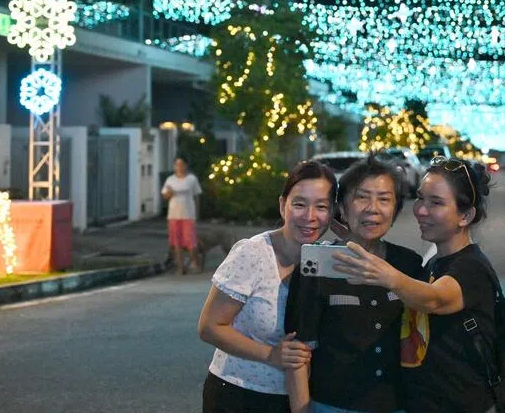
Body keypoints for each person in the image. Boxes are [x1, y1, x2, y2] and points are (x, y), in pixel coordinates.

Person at [332, 158, 498, 413]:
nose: (421, 210)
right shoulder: (434, 263)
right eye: (420, 198)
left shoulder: (471, 268)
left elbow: (434, 299)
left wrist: (383, 273)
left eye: (436, 203)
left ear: (465, 215)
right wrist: (354, 234)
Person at [284, 155, 426, 413]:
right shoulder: (316, 267)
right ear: (343, 207)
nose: (373, 208)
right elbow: (298, 353)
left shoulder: (408, 264)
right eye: (362, 197)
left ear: (395, 210)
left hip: (397, 404)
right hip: (332, 405)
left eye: (384, 199)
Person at [198, 160, 337, 413]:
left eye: (322, 207)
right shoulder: (253, 253)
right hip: (239, 395)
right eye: (299, 204)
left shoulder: (327, 259)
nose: (310, 217)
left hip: (299, 399)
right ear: (283, 204)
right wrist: (270, 354)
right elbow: (209, 327)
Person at [162, 157, 203, 274]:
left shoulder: (191, 179)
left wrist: (197, 213)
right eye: (177, 165)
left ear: (186, 165)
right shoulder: (170, 180)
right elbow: (165, 195)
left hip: (188, 214)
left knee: (191, 242)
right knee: (176, 243)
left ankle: (196, 264)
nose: (179, 167)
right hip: (174, 215)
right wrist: (169, 193)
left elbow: (197, 195)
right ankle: (181, 267)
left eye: (181, 164)